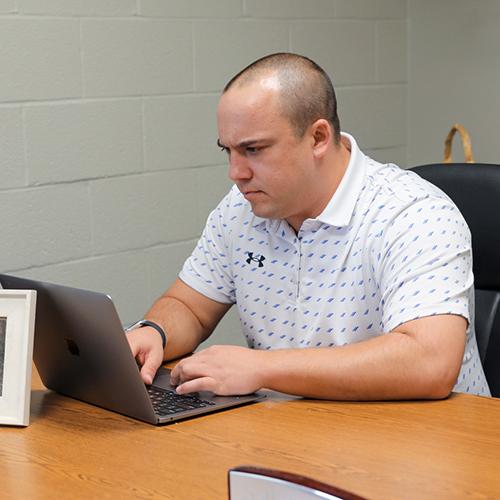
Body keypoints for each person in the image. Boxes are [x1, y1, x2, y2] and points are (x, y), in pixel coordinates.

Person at [126, 53, 490, 400]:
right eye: (229, 151)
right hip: (296, 434)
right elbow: (188, 307)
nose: (236, 173)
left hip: (429, 445)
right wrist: (155, 331)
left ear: (318, 138)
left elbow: (429, 362)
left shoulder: (413, 214)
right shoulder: (240, 210)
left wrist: (262, 368)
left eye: (254, 150)